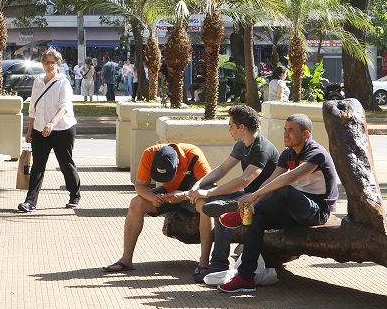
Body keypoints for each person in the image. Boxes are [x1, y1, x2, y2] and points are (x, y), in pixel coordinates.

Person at [217, 114, 338, 293]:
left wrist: (254, 197)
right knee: (257, 220)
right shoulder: (288, 153)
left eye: (291, 130)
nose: (286, 134)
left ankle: (239, 215)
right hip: (295, 209)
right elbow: (271, 180)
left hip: (317, 212)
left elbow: (290, 177)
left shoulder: (316, 153)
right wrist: (253, 200)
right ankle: (245, 277)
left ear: (305, 134)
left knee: (284, 190)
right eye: (285, 129)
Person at [187, 105, 279, 282]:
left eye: (230, 125)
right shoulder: (241, 145)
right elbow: (222, 169)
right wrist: (200, 185)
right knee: (214, 201)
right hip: (247, 195)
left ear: (241, 127)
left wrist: (209, 192)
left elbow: (245, 180)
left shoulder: (261, 149)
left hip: (262, 199)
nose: (229, 129)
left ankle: (218, 264)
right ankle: (225, 209)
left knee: (219, 206)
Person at [103, 144, 212, 274]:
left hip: (192, 195)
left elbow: (208, 188)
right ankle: (126, 259)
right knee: (136, 203)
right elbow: (140, 186)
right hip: (169, 193)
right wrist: (152, 197)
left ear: (177, 162)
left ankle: (204, 262)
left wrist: (183, 195)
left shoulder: (193, 154)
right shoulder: (149, 154)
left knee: (206, 206)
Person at [18, 48, 80, 212]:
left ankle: (75, 194)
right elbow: (33, 109)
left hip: (62, 129)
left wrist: (51, 123)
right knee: (37, 166)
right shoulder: (38, 81)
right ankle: (30, 201)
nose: (49, 65)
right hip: (40, 130)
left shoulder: (63, 82)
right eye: (46, 62)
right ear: (42, 64)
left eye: (52, 62)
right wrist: (30, 130)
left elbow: (64, 107)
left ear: (58, 63)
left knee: (66, 164)